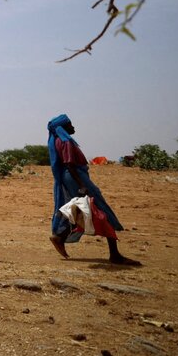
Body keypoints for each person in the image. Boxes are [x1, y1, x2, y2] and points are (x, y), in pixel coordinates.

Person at [47, 114, 139, 265]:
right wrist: (82, 185)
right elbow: (70, 163)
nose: (73, 127)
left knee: (84, 210)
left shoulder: (57, 140)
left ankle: (61, 237)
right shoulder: (66, 141)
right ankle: (114, 254)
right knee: (100, 209)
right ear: (63, 127)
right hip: (75, 176)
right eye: (70, 125)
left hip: (71, 176)